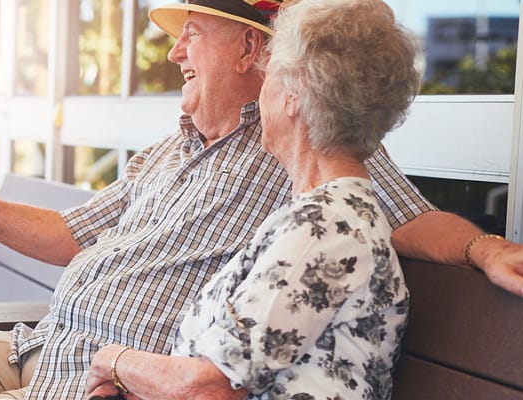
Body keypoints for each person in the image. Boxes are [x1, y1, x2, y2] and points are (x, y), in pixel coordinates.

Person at [0, 0, 523, 398]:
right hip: (42, 345)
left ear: (256, 56)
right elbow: (71, 232)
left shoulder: (312, 152)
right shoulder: (166, 151)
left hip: (108, 375)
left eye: (190, 35)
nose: (172, 54)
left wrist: (485, 246)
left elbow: (400, 215)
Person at [85, 0, 414, 398]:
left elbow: (207, 387)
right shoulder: (322, 217)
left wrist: (112, 361)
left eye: (269, 74)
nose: (261, 91)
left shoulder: (325, 227)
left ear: (294, 95)